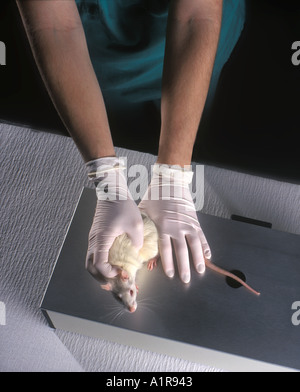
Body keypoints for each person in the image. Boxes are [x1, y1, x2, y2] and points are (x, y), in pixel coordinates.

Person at [16, 0, 223, 284]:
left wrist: (173, 174)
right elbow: (53, 25)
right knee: (120, 123)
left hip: (191, 42)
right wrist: (106, 177)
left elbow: (197, 16)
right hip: (93, 47)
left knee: (195, 127)